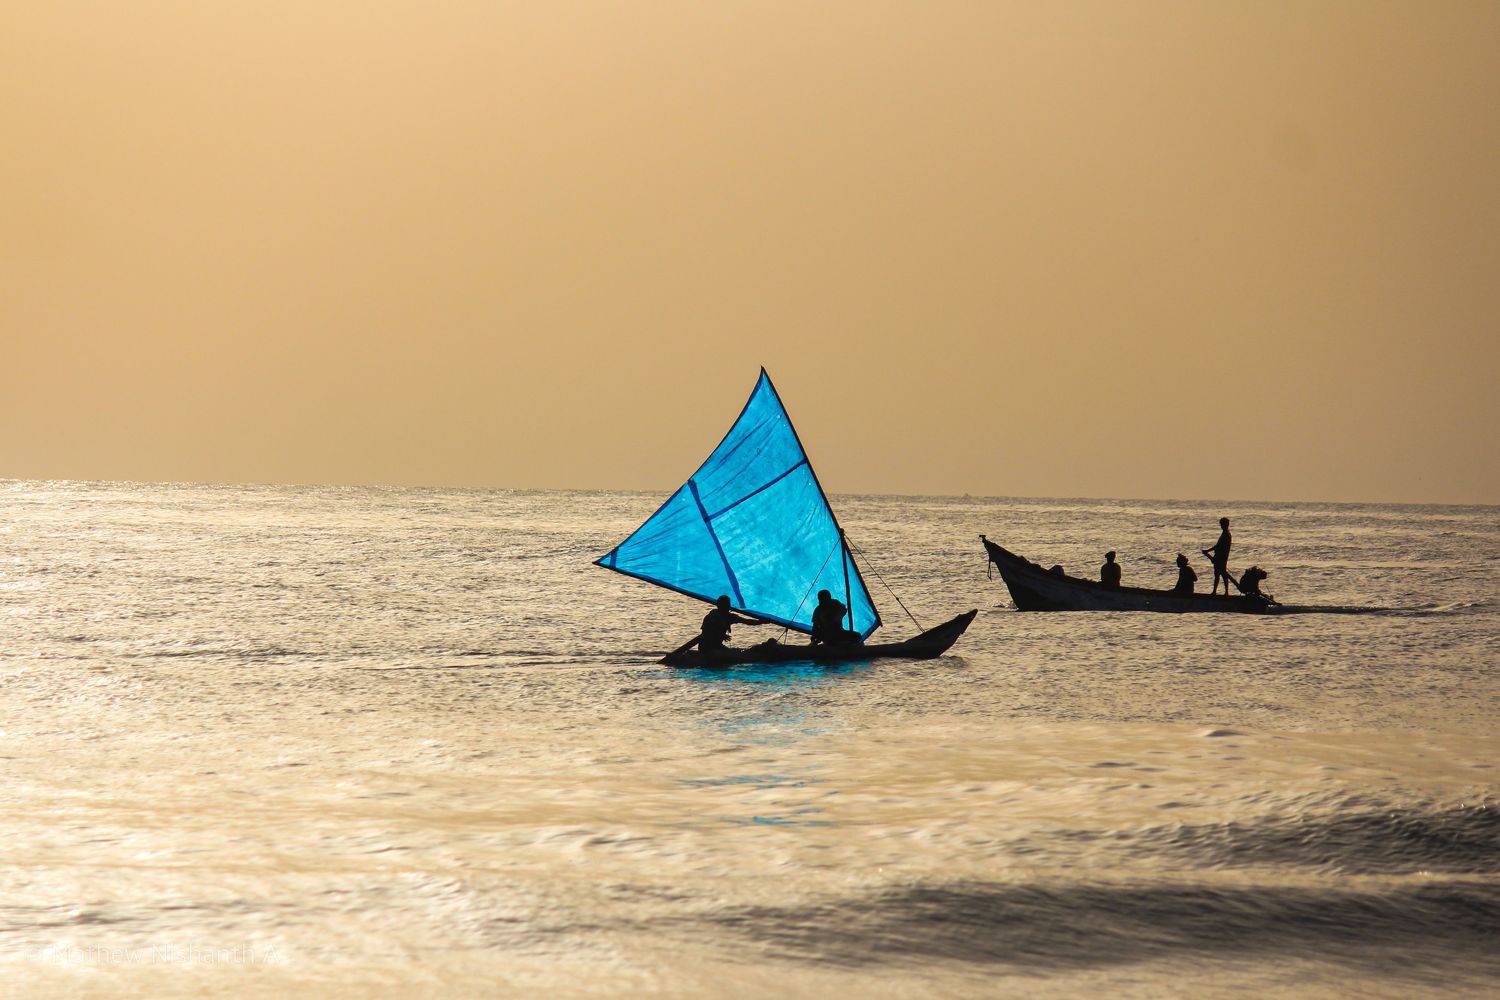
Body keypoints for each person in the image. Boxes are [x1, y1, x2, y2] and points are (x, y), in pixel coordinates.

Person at [1201, 517, 1233, 595]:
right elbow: (1218, 546)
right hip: (1220, 557)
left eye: (1222, 524)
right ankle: (1217, 591)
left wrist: (1207, 551)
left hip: (1221, 557)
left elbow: (1218, 546)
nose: (1221, 526)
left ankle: (1224, 592)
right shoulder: (1225, 534)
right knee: (1218, 574)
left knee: (1222, 574)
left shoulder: (1226, 535)